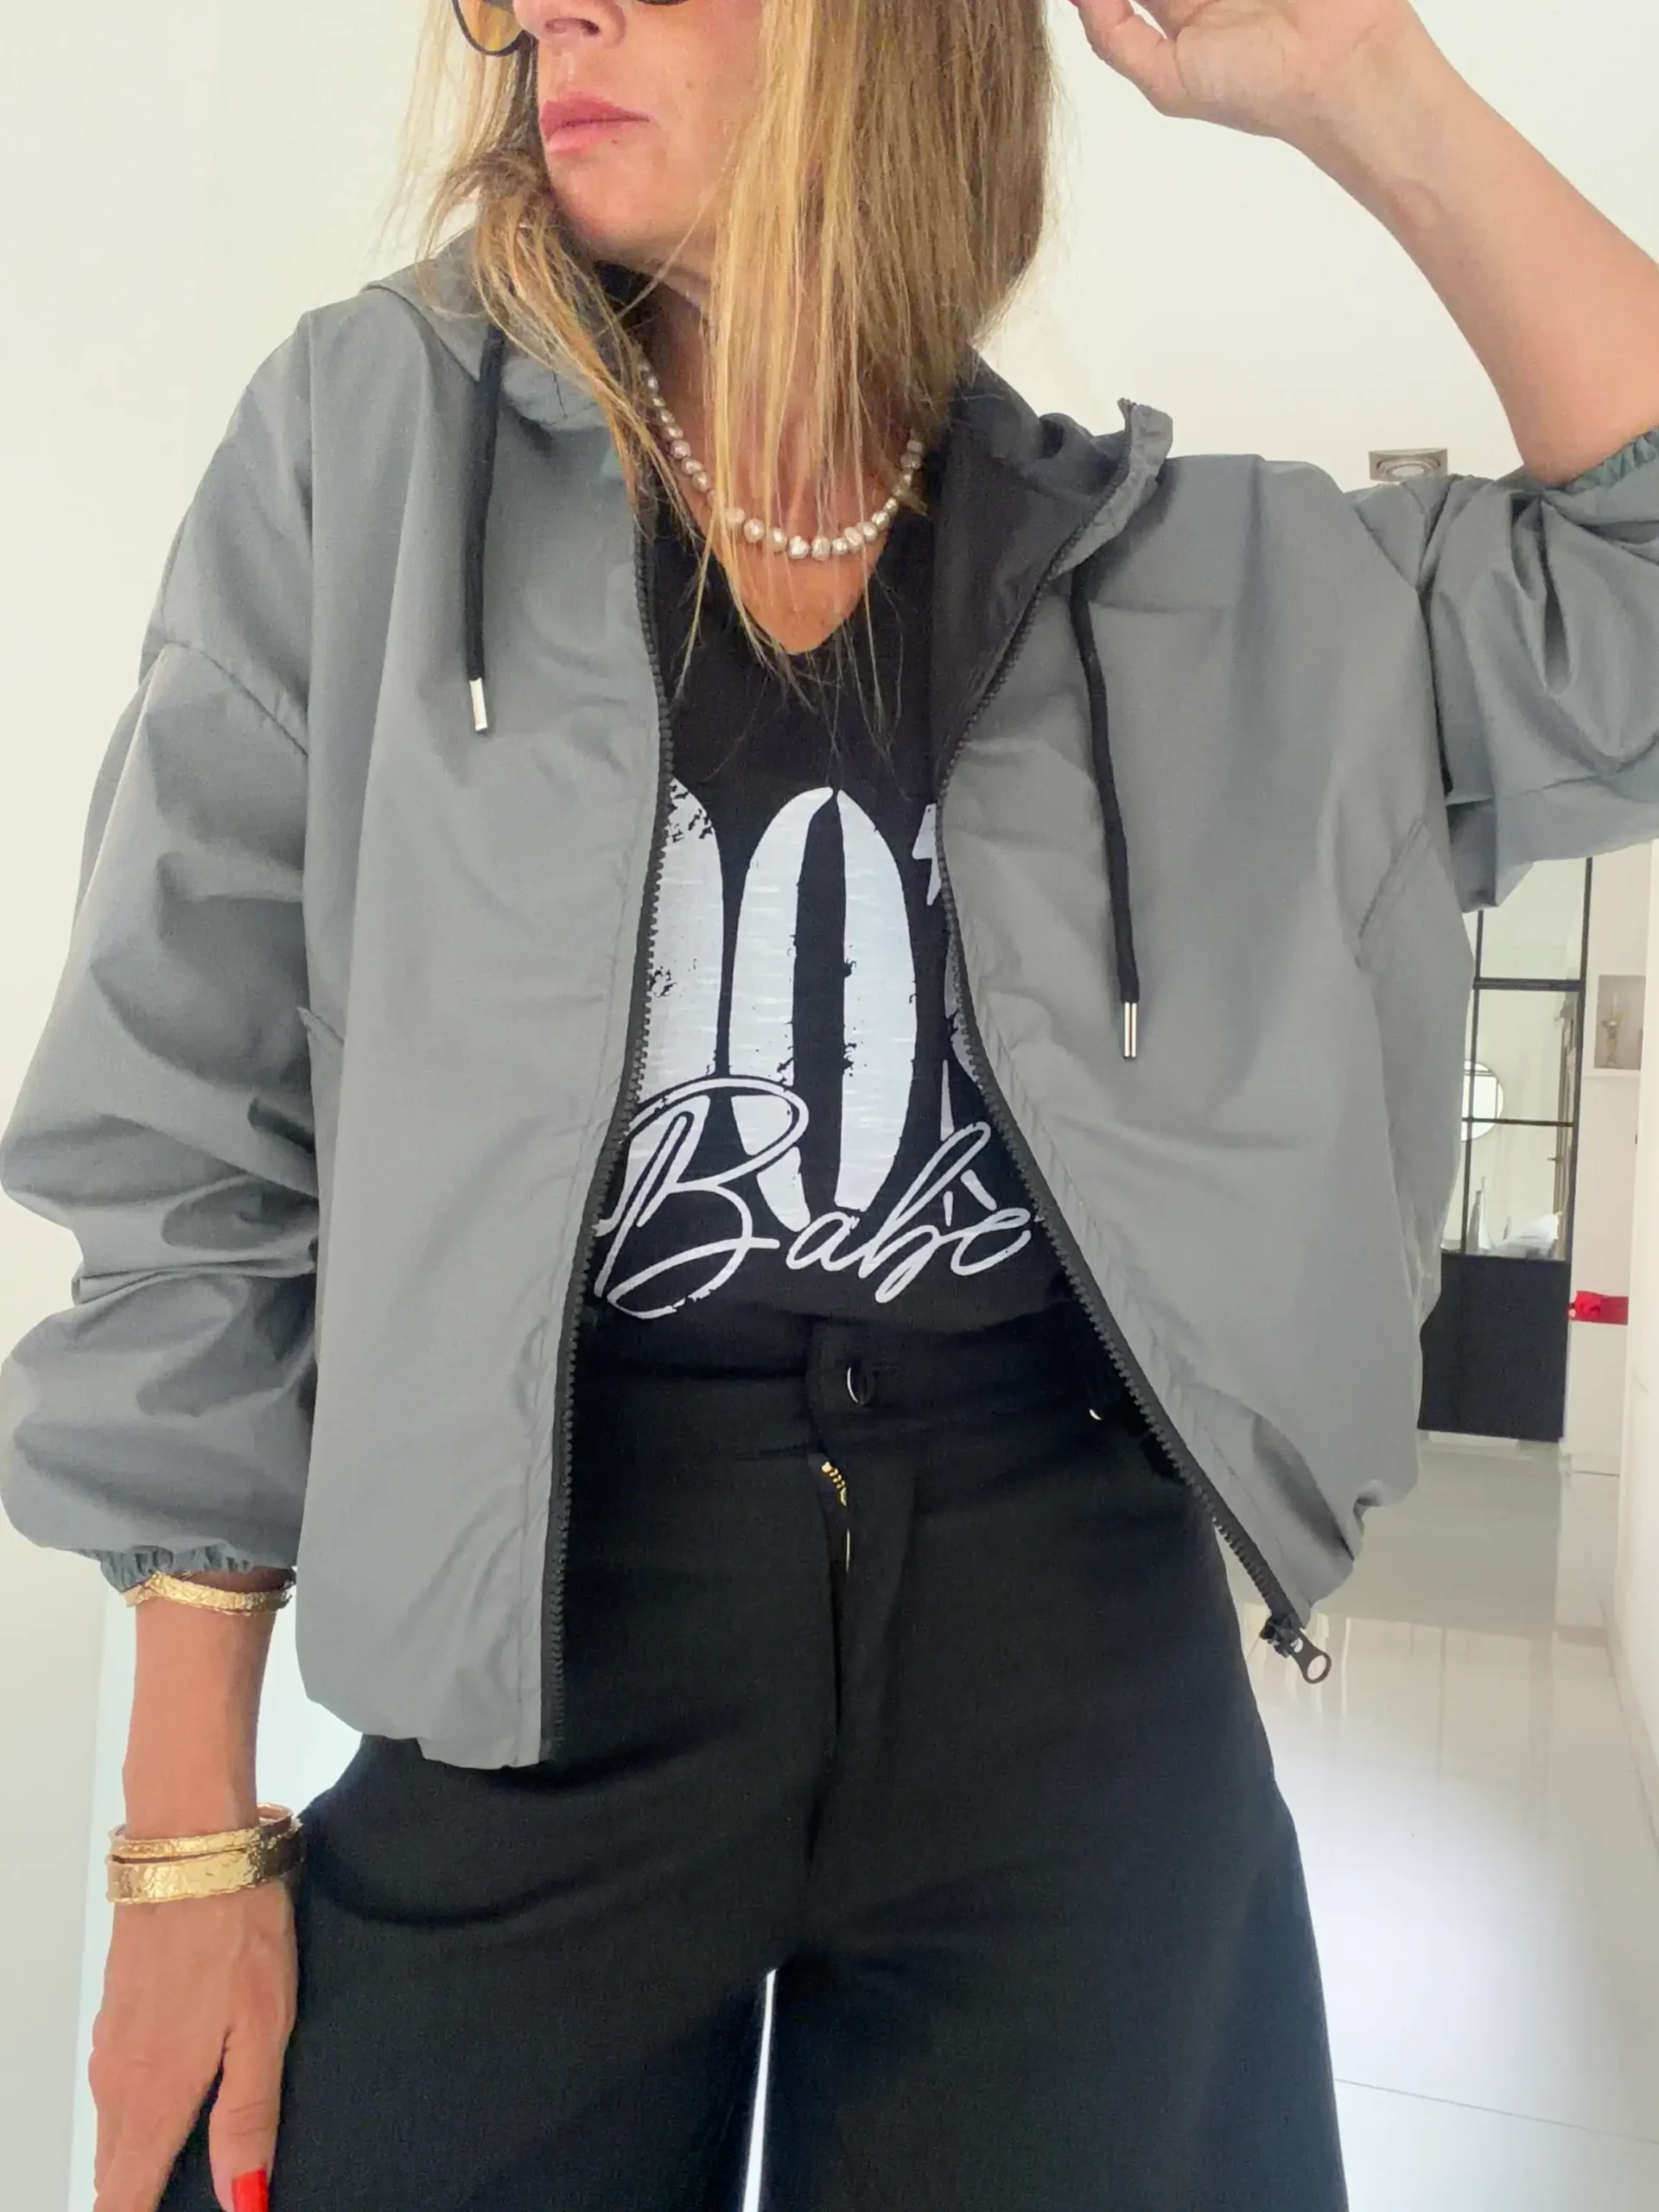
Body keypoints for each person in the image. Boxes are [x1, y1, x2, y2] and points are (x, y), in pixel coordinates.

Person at [3, 0, 1658, 2204]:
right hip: (548, 1621)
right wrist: (183, 1839)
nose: (545, 8)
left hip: (1072, 1641)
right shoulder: (366, 448)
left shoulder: (1194, 577)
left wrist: (1375, 84)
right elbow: (196, 1147)